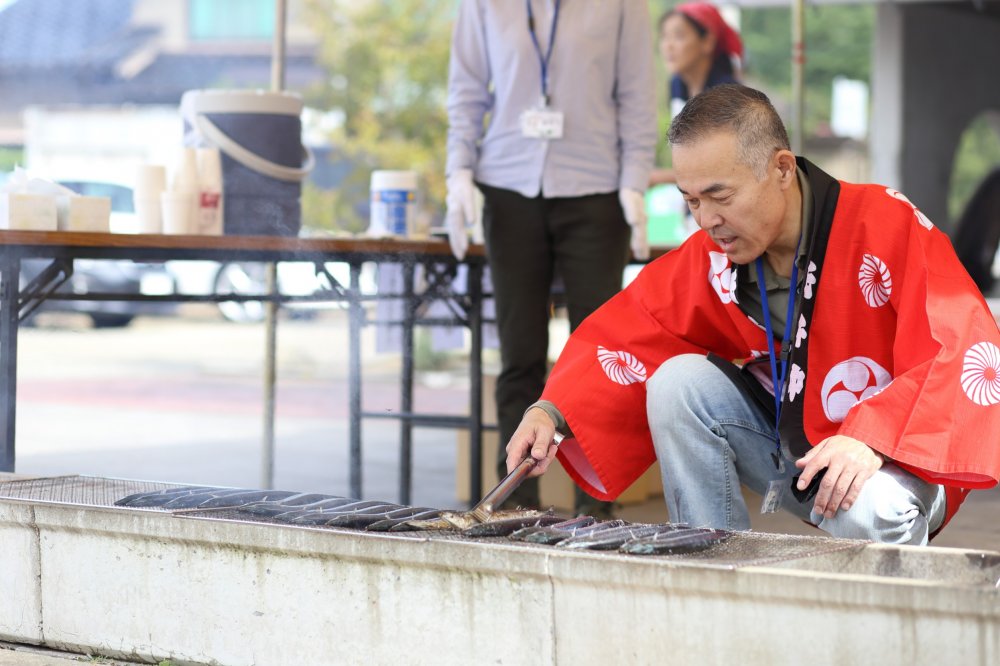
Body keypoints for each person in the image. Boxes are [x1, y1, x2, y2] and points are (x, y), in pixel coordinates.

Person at [505, 84, 1000, 545]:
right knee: (678, 381)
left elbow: (964, 347)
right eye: (691, 201)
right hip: (797, 441)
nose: (706, 219)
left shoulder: (885, 222)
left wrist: (872, 440)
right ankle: (711, 569)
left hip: (892, 456)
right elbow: (635, 325)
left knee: (873, 509)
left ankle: (889, 625)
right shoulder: (718, 253)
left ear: (782, 169)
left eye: (720, 196)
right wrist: (549, 411)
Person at [444, 0, 657, 513]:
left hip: (596, 188)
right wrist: (458, 172)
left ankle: (596, 504)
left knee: (598, 356)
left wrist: (634, 183)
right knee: (520, 353)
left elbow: (636, 96)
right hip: (508, 185)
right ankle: (514, 502)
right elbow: (467, 92)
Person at [650, 2, 743, 186]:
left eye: (678, 36)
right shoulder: (677, 85)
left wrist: (660, 177)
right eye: (664, 37)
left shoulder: (726, 94)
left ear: (707, 41)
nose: (668, 46)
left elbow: (722, 170)